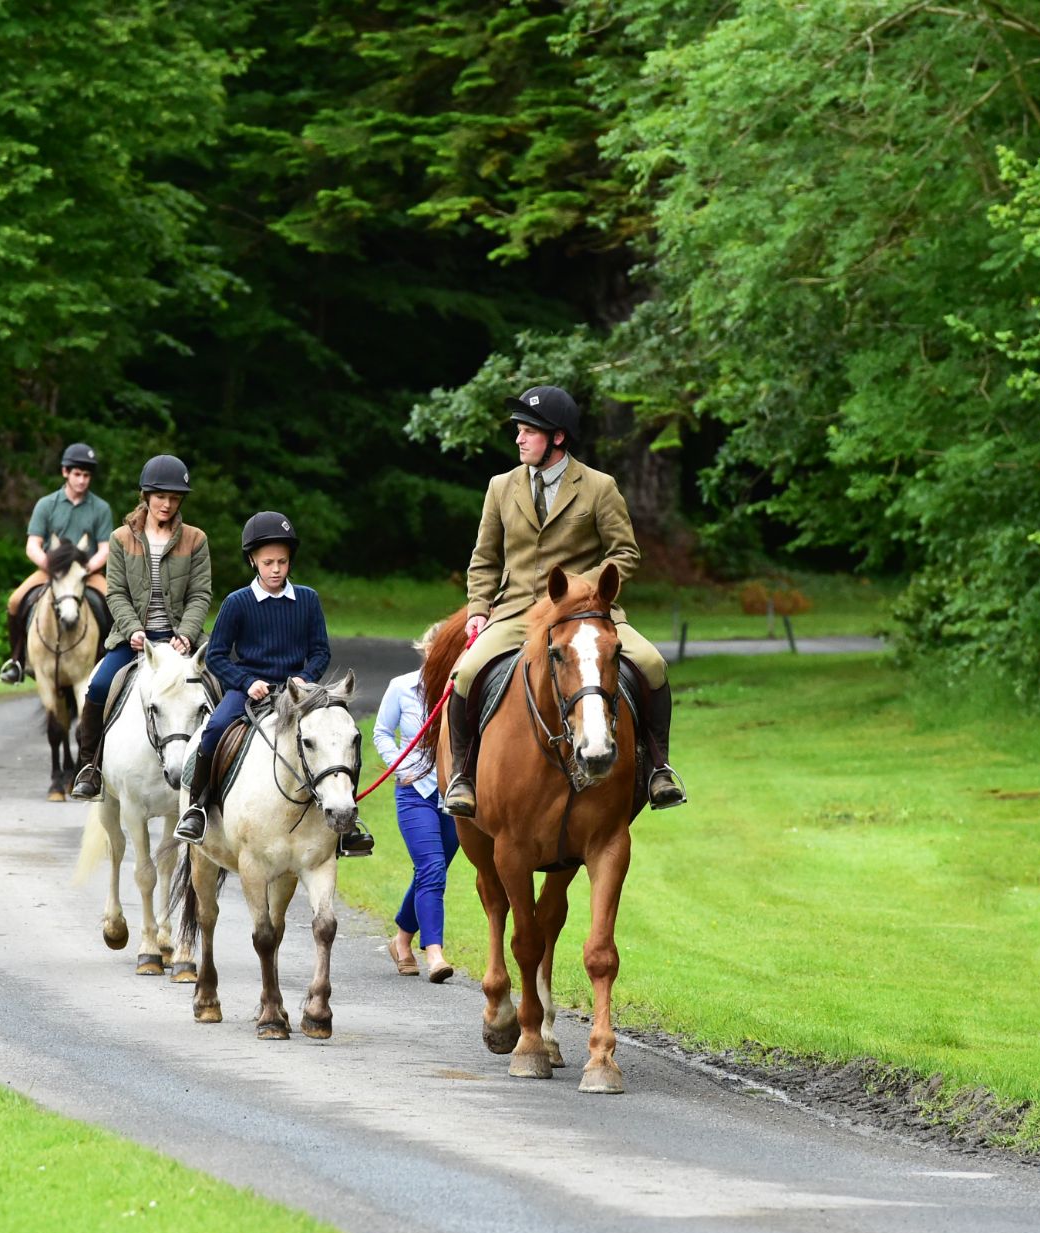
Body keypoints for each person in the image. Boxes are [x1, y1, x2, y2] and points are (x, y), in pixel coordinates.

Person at [443, 385, 686, 816]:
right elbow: (483, 559)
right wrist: (479, 609)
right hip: (517, 610)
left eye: (528, 431)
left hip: (587, 612)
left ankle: (659, 769)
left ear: (557, 437)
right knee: (465, 673)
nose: (518, 438)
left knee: (652, 664)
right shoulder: (501, 487)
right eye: (518, 430)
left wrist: (582, 588)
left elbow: (624, 553)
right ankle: (463, 775)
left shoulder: (598, 487)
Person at [175, 511, 372, 854]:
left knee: (341, 734)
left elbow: (320, 652)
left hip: (299, 693)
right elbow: (218, 656)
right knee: (214, 729)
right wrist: (247, 681)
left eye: (282, 561)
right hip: (250, 689)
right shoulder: (237, 603)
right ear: (253, 560)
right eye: (268, 562)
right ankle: (197, 807)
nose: (276, 569)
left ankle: (346, 823)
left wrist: (305, 680)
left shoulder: (308, 600)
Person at [71, 455, 213, 800]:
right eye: (160, 496)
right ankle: (90, 767)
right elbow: (115, 591)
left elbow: (200, 593)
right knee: (100, 687)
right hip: (132, 640)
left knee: (218, 687)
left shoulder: (195, 539)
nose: (167, 503)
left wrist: (187, 634)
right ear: (146, 496)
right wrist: (133, 628)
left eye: (174, 497)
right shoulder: (121, 538)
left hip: (180, 640)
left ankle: (215, 776)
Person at [374, 640, 460, 983]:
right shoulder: (402, 687)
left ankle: (401, 941)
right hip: (415, 792)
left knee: (430, 872)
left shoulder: (464, 690)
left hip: (453, 794)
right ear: (426, 650)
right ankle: (435, 953)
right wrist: (398, 765)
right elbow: (381, 732)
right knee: (433, 868)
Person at [0, 441, 116, 685]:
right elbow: (33, 545)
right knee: (15, 601)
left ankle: (110, 658)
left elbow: (105, 549)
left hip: (86, 573)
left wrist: (83, 570)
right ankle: (17, 660)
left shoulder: (101, 508)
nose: (82, 480)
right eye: (77, 474)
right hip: (50, 572)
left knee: (114, 604)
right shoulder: (46, 504)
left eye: (86, 475)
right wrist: (50, 566)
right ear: (65, 472)